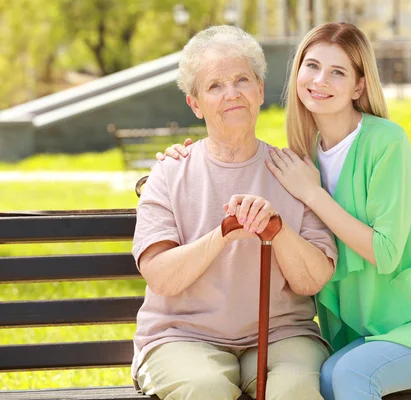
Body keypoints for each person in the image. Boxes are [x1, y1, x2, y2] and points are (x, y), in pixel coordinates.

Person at [160, 22, 411, 400]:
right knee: (325, 377)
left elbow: (385, 253)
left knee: (352, 373)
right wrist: (177, 163)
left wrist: (313, 194)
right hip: (383, 331)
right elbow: (230, 162)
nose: (320, 80)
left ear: (359, 85)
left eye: (337, 72)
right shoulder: (304, 155)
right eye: (312, 66)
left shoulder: (385, 142)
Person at [133, 25, 337, 400]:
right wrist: (223, 234)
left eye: (242, 80)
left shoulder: (294, 172)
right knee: (205, 389)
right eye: (214, 86)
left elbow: (312, 281)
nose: (232, 94)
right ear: (195, 104)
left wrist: (276, 229)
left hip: (281, 335)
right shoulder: (170, 171)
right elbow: (160, 278)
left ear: (259, 90)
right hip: (183, 337)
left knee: (295, 389)